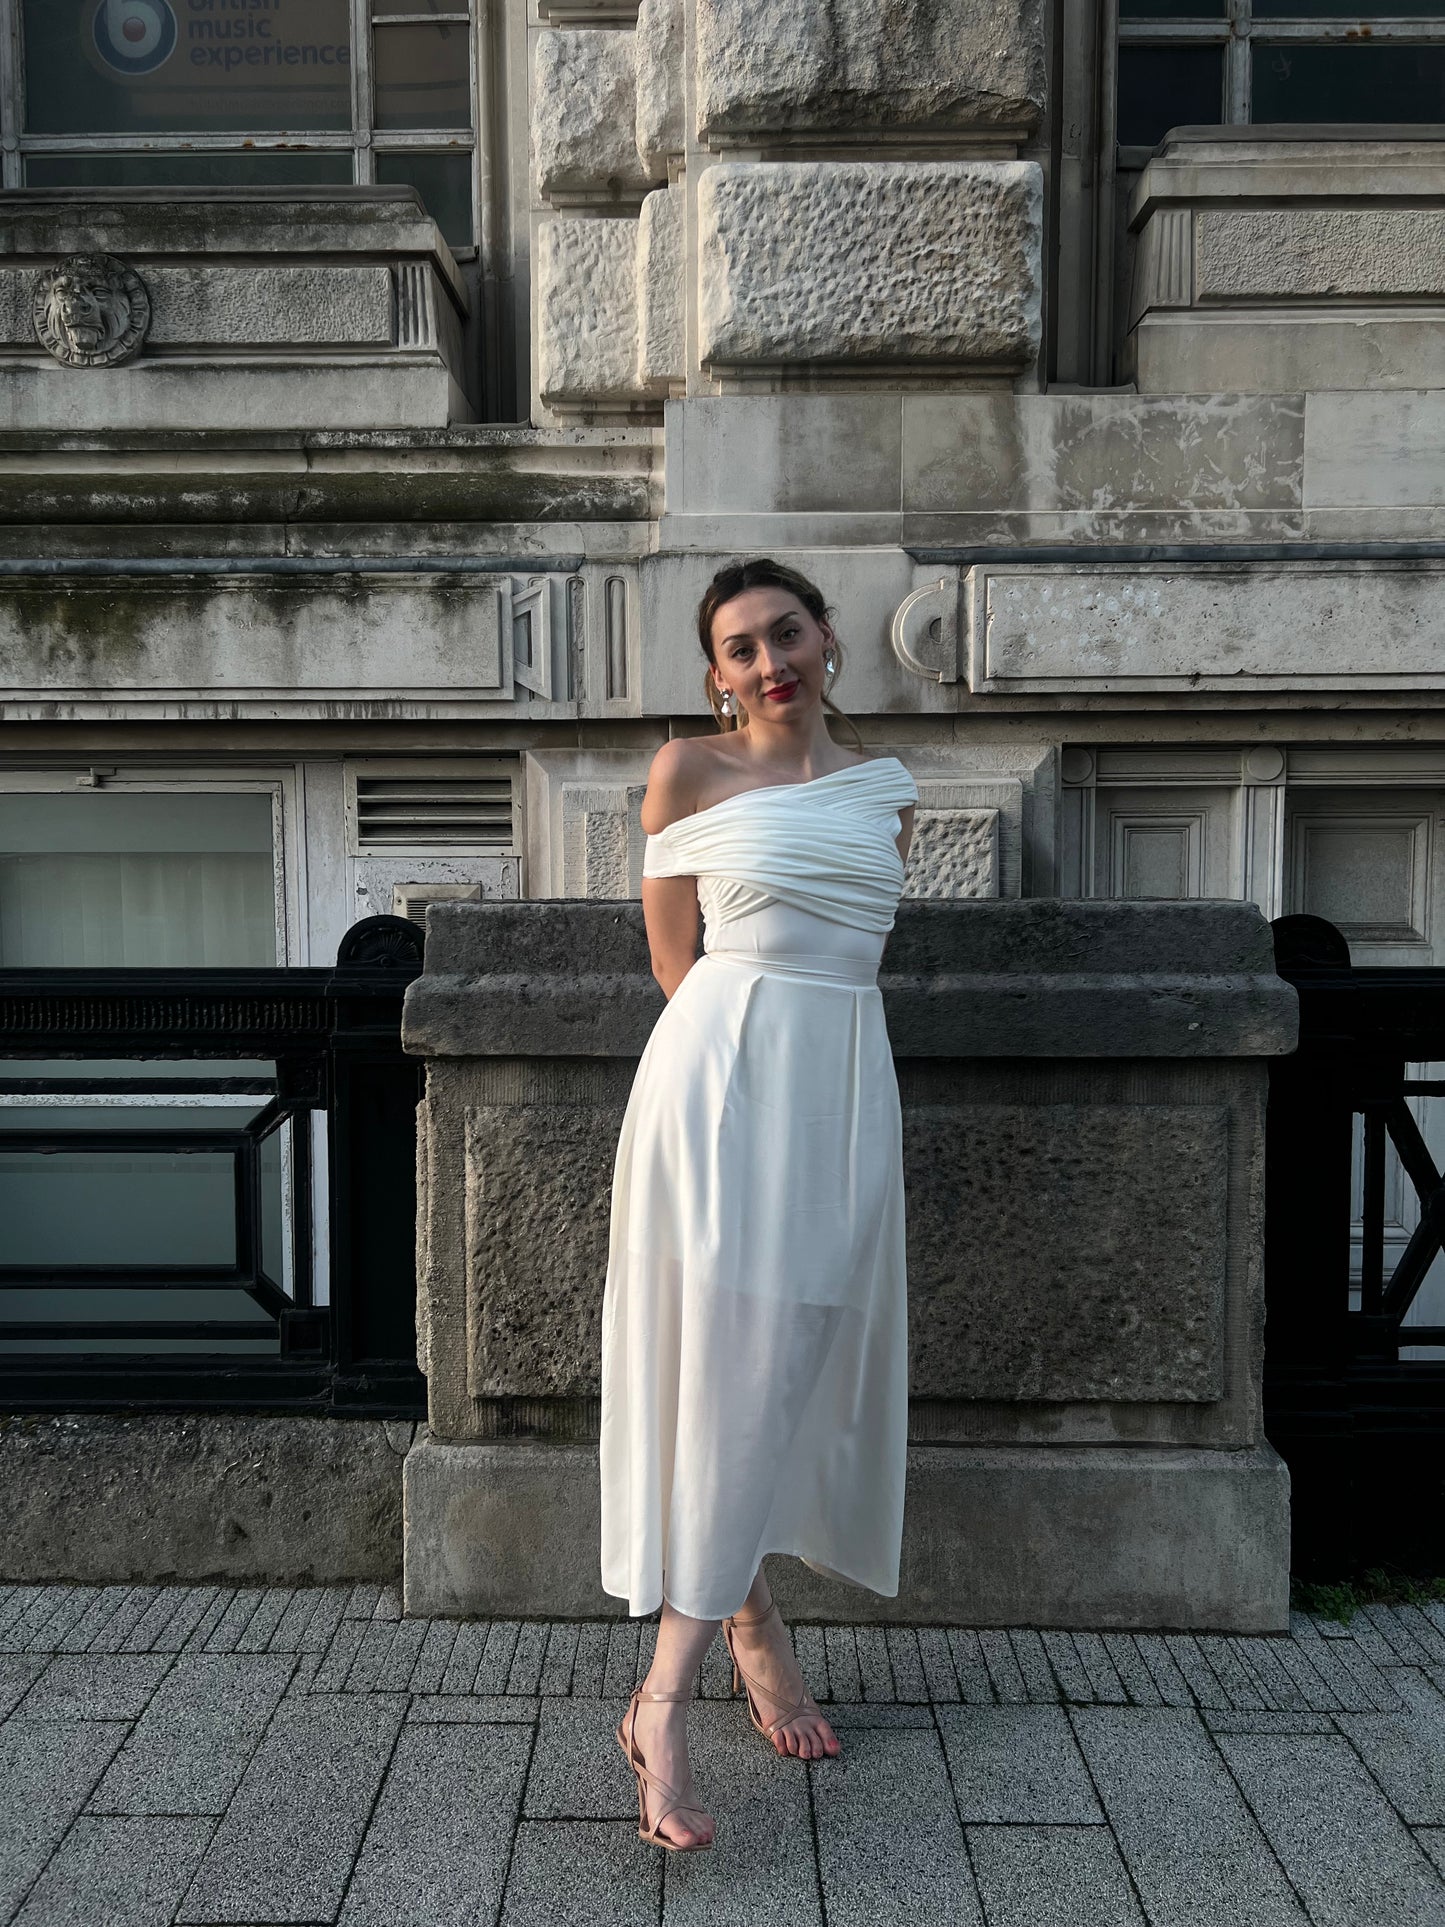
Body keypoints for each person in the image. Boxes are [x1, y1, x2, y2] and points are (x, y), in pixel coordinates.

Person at [599, 556, 918, 1852]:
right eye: (737, 648)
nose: (766, 661)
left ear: (828, 637)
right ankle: (664, 1702)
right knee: (729, 1377)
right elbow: (679, 965)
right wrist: (733, 1092)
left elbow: (847, 956)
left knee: (787, 1370)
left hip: (841, 1087)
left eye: (783, 632)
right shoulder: (686, 772)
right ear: (715, 676)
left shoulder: (886, 795)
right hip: (721, 1086)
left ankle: (749, 1616)